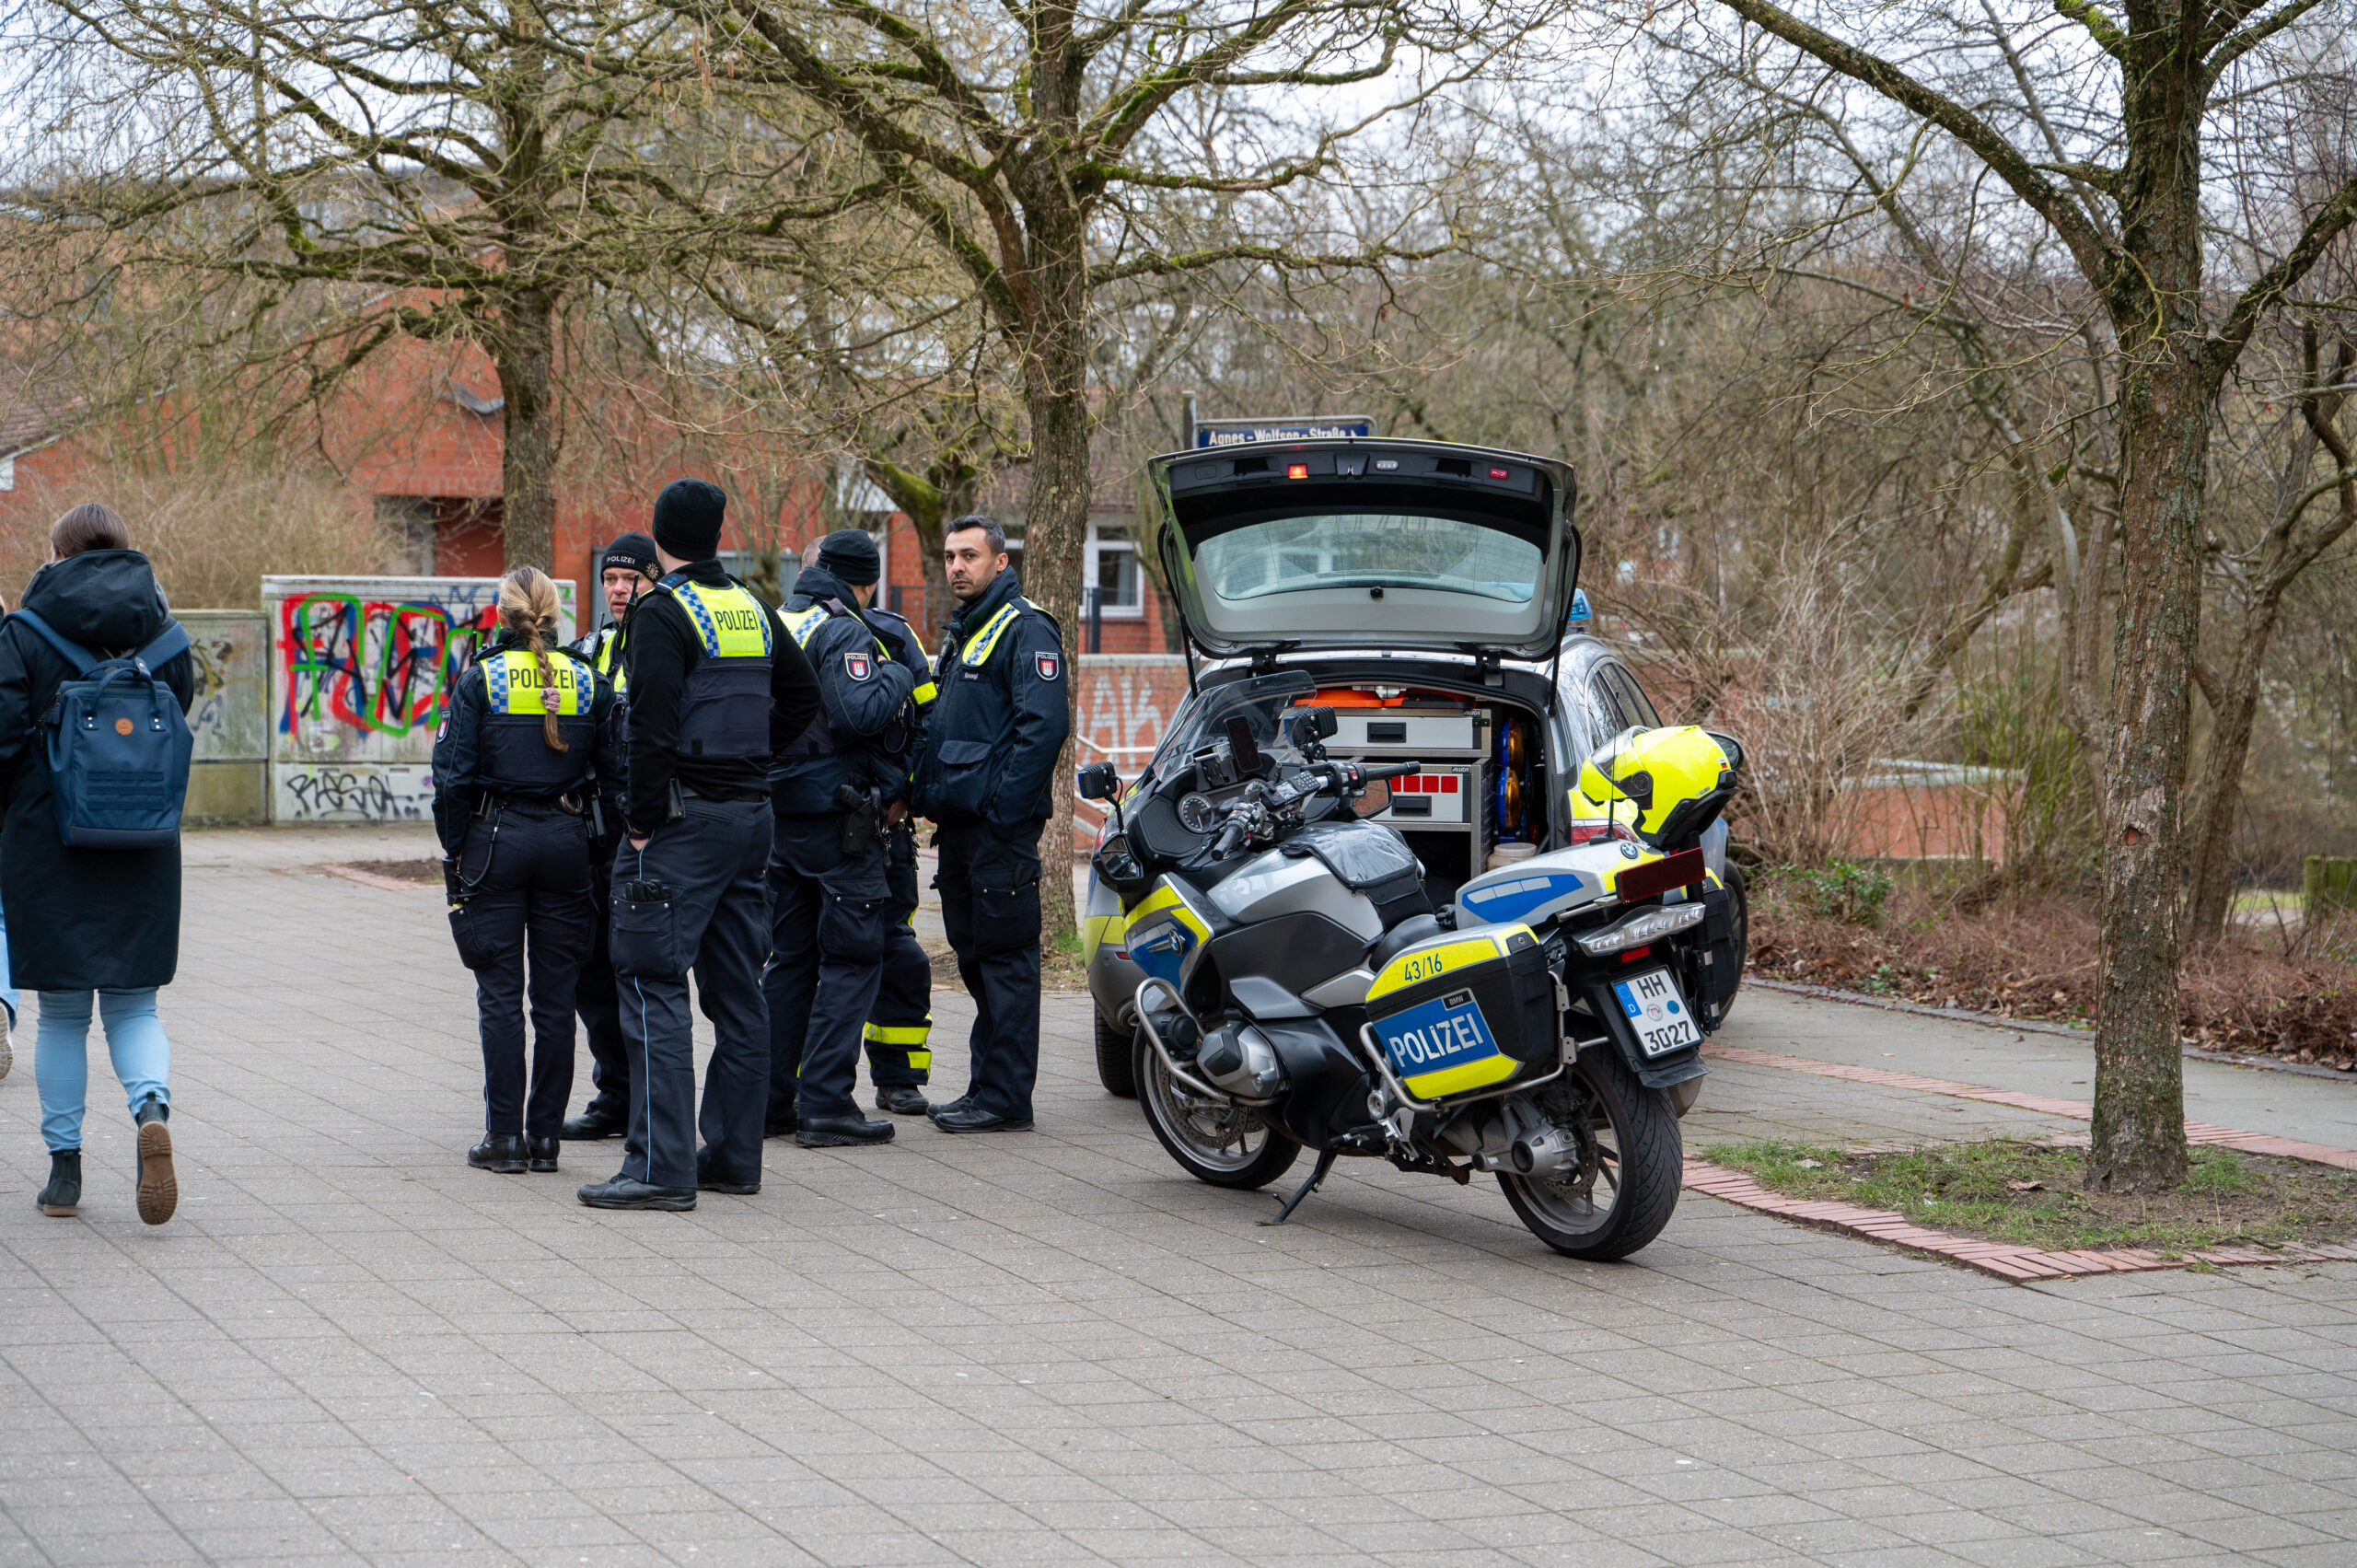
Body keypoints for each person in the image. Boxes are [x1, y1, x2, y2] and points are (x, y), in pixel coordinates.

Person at [578, 478, 819, 1211]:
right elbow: (804, 698)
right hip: (751, 822)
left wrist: (643, 821)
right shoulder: (749, 606)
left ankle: (659, 1167)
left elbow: (651, 731)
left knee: (652, 984)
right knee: (739, 992)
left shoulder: (662, 612)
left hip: (680, 828)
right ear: (716, 536)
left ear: (659, 538)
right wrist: (753, 762)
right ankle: (733, 1157)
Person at [0, 503, 196, 1223]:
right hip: (142, 841)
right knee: (135, 1002)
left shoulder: (23, 632)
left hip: (46, 842)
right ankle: (150, 1108)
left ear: (58, 554)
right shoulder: (167, 636)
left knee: (59, 1016)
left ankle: (65, 1173)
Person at [432, 566, 620, 1176]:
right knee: (556, 1000)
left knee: (500, 996)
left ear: (501, 615)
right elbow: (617, 775)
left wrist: (455, 849)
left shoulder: (479, 680)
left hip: (496, 840)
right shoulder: (590, 681)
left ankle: (504, 1138)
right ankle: (545, 1140)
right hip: (567, 843)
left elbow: (452, 777)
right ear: (555, 615)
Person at [762, 530, 935, 1145]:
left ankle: (772, 1099)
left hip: (782, 819)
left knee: (788, 962)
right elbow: (856, 712)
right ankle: (828, 1103)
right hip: (840, 823)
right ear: (864, 581)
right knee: (854, 958)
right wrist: (888, 671)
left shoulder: (778, 619)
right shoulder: (844, 629)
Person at [909, 515, 1068, 1134]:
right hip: (963, 829)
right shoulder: (968, 629)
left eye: (969, 555)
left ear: (1000, 562)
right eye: (950, 556)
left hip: (998, 832)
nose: (956, 566)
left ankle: (1005, 1098)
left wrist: (1004, 813)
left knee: (1005, 962)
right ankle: (986, 1085)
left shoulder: (1025, 629)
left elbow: (1042, 729)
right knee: (977, 959)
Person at [559, 531, 662, 1143]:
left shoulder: (667, 641)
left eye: (632, 579)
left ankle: (647, 1102)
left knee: (642, 971)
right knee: (590, 970)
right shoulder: (585, 650)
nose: (620, 590)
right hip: (592, 836)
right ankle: (614, 1093)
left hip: (649, 836)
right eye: (612, 580)